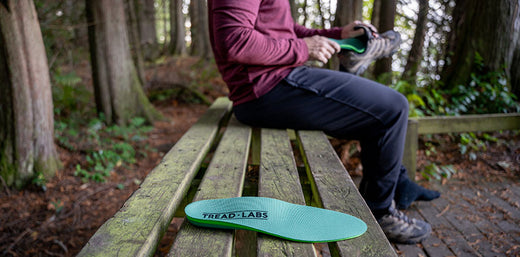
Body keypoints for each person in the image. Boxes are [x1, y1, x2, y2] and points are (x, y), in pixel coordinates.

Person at [207, 0, 439, 244]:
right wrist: (304, 49)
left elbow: (281, 28)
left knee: (375, 110)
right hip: (267, 88)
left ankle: (399, 185)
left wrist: (336, 35)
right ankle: (379, 212)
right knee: (393, 108)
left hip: (270, 84)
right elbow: (235, 41)